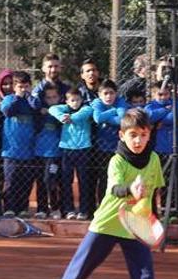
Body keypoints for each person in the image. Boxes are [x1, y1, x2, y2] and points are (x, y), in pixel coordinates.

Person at [41, 108, 165, 279]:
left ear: (149, 134)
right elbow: (116, 188)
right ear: (121, 135)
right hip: (107, 223)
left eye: (142, 134)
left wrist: (153, 226)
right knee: (80, 270)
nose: (137, 140)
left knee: (145, 278)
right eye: (132, 135)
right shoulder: (116, 161)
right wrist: (131, 190)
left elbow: (154, 194)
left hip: (136, 226)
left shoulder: (155, 160)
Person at [50, 87, 95, 220]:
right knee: (66, 181)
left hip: (83, 149)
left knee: (84, 181)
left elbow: (83, 114)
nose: (75, 103)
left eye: (78, 100)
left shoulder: (86, 109)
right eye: (72, 100)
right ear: (67, 101)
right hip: (66, 149)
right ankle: (69, 209)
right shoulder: (64, 109)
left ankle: (83, 210)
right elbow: (53, 109)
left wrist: (71, 117)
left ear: (82, 100)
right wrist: (61, 117)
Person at [0, 70, 37, 217]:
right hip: (11, 151)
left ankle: (22, 208)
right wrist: (17, 97)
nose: (23, 89)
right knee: (11, 181)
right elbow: (7, 111)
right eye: (20, 86)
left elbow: (36, 108)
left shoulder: (31, 100)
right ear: (14, 87)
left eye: (26, 86)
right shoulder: (9, 99)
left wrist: (29, 96)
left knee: (26, 181)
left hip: (29, 150)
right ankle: (9, 208)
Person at [90, 79, 128, 208]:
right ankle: (103, 205)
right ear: (100, 95)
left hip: (118, 147)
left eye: (111, 93)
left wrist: (107, 116)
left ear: (116, 94)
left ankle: (119, 205)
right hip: (102, 147)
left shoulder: (120, 101)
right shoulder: (97, 102)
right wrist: (113, 111)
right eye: (105, 93)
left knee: (119, 177)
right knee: (103, 177)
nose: (108, 96)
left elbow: (122, 119)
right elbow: (98, 118)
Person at [34, 83, 64, 220]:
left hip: (54, 153)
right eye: (48, 97)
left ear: (59, 98)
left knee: (50, 180)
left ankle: (55, 207)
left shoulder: (61, 113)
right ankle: (41, 208)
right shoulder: (40, 113)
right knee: (40, 180)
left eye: (54, 97)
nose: (51, 100)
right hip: (39, 153)